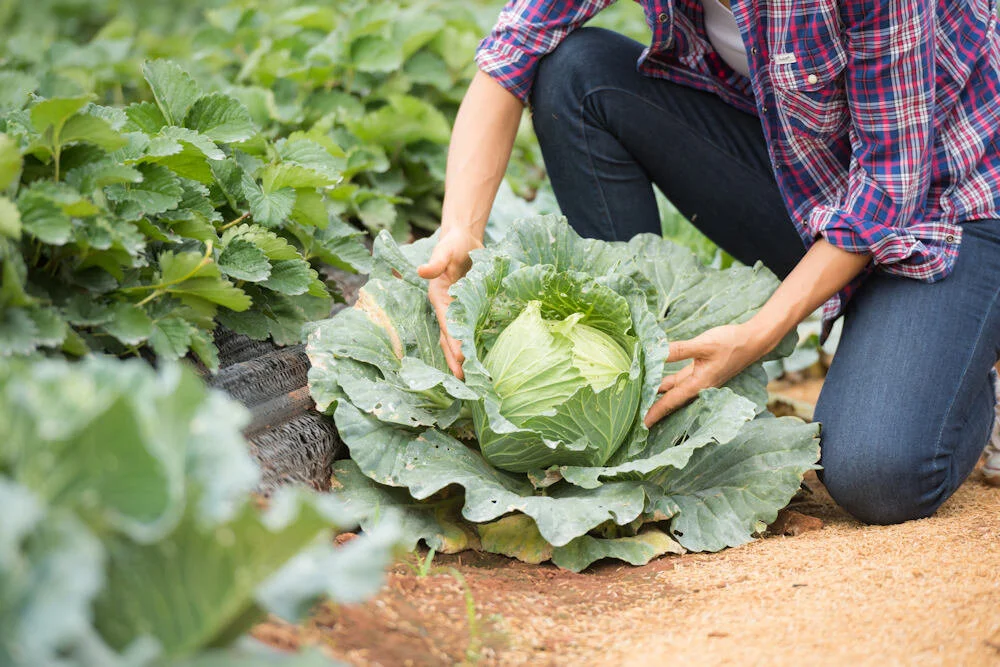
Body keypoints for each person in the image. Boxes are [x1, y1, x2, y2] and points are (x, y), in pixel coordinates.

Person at [417, 0, 1000, 522]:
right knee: (576, 73)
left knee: (878, 476)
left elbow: (887, 189)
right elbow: (514, 49)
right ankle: (645, 384)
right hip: (813, 180)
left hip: (948, 206)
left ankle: (965, 354)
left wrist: (757, 333)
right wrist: (459, 231)